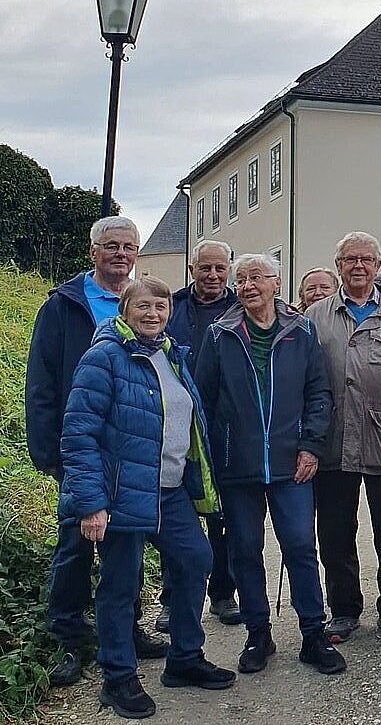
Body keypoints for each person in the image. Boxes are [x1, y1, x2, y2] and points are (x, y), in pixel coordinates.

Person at [59, 277, 234, 718]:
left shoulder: (170, 354)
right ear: (125, 310)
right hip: (121, 493)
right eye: (143, 306)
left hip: (169, 490)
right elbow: (79, 435)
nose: (153, 314)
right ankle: (118, 677)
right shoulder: (104, 357)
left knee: (196, 560)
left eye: (161, 306)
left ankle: (185, 658)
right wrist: (91, 504)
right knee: (121, 584)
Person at [24, 215, 166, 686]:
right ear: (94, 252)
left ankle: (126, 629)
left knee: (126, 545)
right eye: (111, 246)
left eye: (128, 246)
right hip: (80, 447)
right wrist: (49, 452)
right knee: (75, 547)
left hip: (130, 452)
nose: (120, 254)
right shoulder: (65, 305)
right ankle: (69, 639)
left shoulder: (143, 302)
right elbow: (42, 382)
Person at [194, 253, 344, 676]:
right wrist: (214, 456)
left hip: (292, 463)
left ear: (277, 283)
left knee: (300, 545)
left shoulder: (301, 330)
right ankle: (257, 633)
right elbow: (204, 400)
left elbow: (319, 393)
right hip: (237, 465)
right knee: (244, 549)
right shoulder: (220, 334)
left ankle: (313, 633)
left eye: (256, 277)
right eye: (241, 279)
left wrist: (311, 447)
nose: (248, 286)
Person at [305, 232, 381, 643]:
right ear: (338, 266)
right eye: (350, 259)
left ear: (378, 265)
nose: (358, 266)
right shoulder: (315, 317)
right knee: (335, 531)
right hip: (334, 439)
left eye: (366, 259)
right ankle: (343, 609)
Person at [158, 239, 239, 632]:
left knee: (223, 515)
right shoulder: (171, 306)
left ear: (229, 270)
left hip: (225, 426)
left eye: (219, 268)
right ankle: (171, 600)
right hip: (178, 426)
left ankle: (223, 593)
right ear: (192, 270)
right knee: (177, 517)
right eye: (205, 268)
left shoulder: (241, 308)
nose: (212, 275)